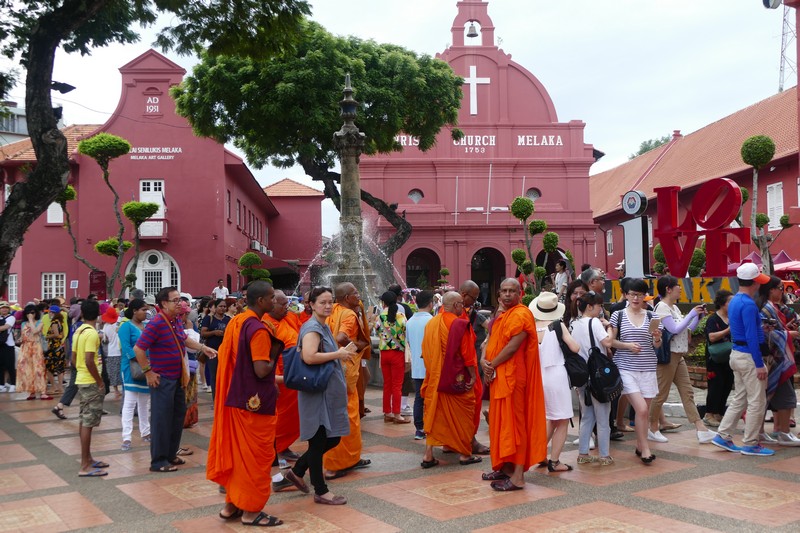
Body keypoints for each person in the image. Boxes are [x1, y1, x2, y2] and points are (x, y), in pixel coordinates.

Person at [207, 281, 285, 527]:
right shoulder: (258, 329)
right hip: (253, 406)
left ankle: (231, 506)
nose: (274, 302)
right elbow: (262, 369)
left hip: (236, 398)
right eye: (272, 298)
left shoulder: (237, 322)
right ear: (261, 301)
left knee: (239, 458)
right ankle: (251, 512)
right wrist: (274, 353)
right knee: (255, 460)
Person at [283, 286, 355, 505]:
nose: (327, 305)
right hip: (317, 393)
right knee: (318, 441)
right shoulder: (313, 327)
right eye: (322, 302)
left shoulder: (322, 326)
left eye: (330, 301)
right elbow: (309, 356)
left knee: (331, 438)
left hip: (325, 391)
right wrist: (339, 353)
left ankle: (297, 471)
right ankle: (321, 490)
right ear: (311, 304)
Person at [134, 286, 218, 473]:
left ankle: (170, 454)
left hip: (178, 378)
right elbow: (139, 349)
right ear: (164, 303)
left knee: (176, 417)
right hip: (162, 379)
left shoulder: (175, 321)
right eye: (176, 300)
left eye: (180, 299)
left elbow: (184, 340)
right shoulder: (156, 323)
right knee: (162, 420)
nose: (180, 303)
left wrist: (203, 348)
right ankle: (158, 461)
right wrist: (148, 372)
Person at [481, 278, 547, 490]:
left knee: (516, 426)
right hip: (499, 376)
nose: (508, 294)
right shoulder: (501, 315)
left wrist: (490, 365)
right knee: (500, 424)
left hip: (513, 379)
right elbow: (488, 341)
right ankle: (505, 466)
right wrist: (483, 360)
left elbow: (512, 347)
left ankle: (518, 477)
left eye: (512, 291)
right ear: (499, 294)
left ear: (519, 293)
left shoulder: (521, 314)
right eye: (504, 291)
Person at [712, 264, 775, 456]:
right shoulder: (748, 304)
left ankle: (723, 435)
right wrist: (759, 363)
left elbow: (744, 332)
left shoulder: (735, 301)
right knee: (757, 401)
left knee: (740, 397)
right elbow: (751, 336)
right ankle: (750, 443)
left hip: (737, 354)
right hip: (748, 356)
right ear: (755, 282)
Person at [648, 276, 716, 444]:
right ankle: (652, 427)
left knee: (688, 392)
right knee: (661, 395)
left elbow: (686, 331)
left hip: (679, 356)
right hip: (668, 357)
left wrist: (697, 318)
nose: (680, 288)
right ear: (668, 289)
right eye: (677, 286)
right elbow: (674, 329)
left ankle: (701, 429)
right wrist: (692, 313)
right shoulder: (662, 307)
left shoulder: (675, 308)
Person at [420, 291, 482, 468]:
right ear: (456, 305)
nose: (463, 307)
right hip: (454, 381)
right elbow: (468, 356)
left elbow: (425, 351)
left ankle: (428, 455)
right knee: (463, 415)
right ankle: (464, 454)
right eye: (462, 304)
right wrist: (471, 375)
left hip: (435, 379)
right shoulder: (460, 324)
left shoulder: (431, 324)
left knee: (434, 414)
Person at [609, 279, 663, 465]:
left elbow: (657, 345)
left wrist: (657, 338)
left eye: (639, 294)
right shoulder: (618, 315)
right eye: (632, 294)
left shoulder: (651, 316)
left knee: (644, 411)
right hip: (625, 368)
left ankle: (640, 446)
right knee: (640, 408)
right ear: (625, 295)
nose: (635, 298)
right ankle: (646, 448)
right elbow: (610, 341)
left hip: (648, 367)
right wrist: (627, 346)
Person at [322, 282, 371, 479]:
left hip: (329, 366)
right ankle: (337, 463)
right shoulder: (349, 314)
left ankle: (351, 458)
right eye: (356, 293)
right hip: (343, 368)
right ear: (347, 298)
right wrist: (358, 345)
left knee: (341, 415)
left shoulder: (331, 310)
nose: (358, 296)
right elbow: (342, 337)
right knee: (347, 416)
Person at [529, 291, 580, 472]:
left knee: (550, 418)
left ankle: (540, 454)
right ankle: (555, 461)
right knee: (563, 420)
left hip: (539, 377)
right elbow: (575, 347)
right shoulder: (558, 325)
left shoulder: (532, 327)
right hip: (557, 375)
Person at [571, 292, 614, 465]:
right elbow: (608, 343)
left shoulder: (573, 324)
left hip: (582, 375)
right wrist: (609, 327)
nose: (600, 309)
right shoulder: (594, 322)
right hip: (598, 376)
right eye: (599, 306)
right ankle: (604, 455)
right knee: (603, 417)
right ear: (590, 307)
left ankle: (583, 454)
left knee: (587, 416)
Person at [262, 290, 303, 470]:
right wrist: (276, 380)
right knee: (278, 417)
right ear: (271, 304)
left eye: (288, 304)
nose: (287, 308)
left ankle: (283, 446)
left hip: (295, 374)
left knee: (294, 416)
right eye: (283, 304)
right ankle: (274, 450)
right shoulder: (265, 324)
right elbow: (269, 356)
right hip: (280, 377)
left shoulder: (290, 318)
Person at [758, 276, 800, 446]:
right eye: (780, 288)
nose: (782, 292)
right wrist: (788, 335)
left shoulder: (772, 307)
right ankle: (782, 432)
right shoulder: (765, 308)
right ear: (771, 290)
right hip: (772, 359)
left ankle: (764, 432)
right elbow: (766, 333)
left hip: (774, 358)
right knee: (777, 397)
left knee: (761, 398)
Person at [73, 300, 107, 477]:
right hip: (90, 381)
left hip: (82, 378)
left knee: (84, 420)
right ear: (98, 315)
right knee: (88, 421)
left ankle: (88, 458)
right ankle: (85, 465)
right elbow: (88, 360)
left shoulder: (78, 331)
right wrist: (99, 381)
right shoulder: (92, 334)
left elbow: (73, 358)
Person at [118, 299, 151, 451]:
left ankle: (146, 432)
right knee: (130, 402)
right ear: (134, 311)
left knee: (144, 401)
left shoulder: (145, 327)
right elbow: (127, 349)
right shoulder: (126, 327)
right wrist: (143, 361)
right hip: (131, 367)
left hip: (144, 366)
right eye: (143, 310)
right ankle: (126, 437)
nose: (146, 312)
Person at [376, 291, 409, 423]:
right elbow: (406, 331)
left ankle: (387, 412)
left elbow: (377, 330)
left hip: (384, 353)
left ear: (383, 303)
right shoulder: (400, 316)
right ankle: (397, 414)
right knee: (397, 385)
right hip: (397, 353)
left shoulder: (380, 316)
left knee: (387, 384)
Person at [406, 290, 434, 440]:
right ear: (431, 303)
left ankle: (419, 428)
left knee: (419, 398)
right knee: (432, 399)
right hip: (431, 366)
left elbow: (409, 343)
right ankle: (431, 426)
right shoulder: (432, 320)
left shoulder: (409, 322)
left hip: (417, 367)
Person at [704, 289, 734, 428]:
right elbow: (712, 337)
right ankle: (709, 413)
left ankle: (719, 413)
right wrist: (728, 330)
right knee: (716, 385)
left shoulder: (733, 317)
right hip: (715, 359)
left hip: (730, 357)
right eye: (730, 302)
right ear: (722, 304)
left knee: (727, 384)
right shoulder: (713, 319)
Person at [17, 304, 50, 400]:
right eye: (28, 313)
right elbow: (24, 334)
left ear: (36, 313)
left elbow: (35, 331)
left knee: (39, 368)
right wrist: (20, 339)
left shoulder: (40, 322)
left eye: (32, 312)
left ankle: (43, 391)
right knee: (27, 369)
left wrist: (31, 320)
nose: (30, 314)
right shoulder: (23, 324)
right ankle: (32, 391)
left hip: (36, 347)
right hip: (25, 347)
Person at [200, 299, 230, 402]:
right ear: (215, 308)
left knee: (226, 376)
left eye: (224, 306)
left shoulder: (228, 319)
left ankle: (225, 399)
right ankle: (216, 400)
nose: (222, 308)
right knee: (214, 376)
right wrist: (214, 332)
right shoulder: (209, 319)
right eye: (220, 306)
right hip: (212, 351)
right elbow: (203, 333)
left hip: (225, 351)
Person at [43, 305, 67, 395]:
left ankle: (53, 386)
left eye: (49, 312)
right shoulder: (60, 322)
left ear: (53, 313)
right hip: (59, 347)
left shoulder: (54, 323)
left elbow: (56, 334)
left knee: (49, 368)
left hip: (52, 348)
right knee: (60, 368)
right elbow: (62, 334)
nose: (48, 314)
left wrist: (47, 337)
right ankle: (60, 387)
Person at [100, 306, 122, 398]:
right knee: (121, 372)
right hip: (120, 351)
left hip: (111, 351)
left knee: (112, 372)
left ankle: (116, 390)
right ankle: (122, 389)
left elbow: (104, 338)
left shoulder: (106, 327)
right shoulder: (119, 325)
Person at [0, 301, 16, 393]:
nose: (4, 309)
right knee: (0, 365)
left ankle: (13, 384)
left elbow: (6, 327)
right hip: (0, 344)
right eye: (2, 308)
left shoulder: (11, 317)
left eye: (6, 307)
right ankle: (1, 384)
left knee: (10, 365)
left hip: (9, 344)